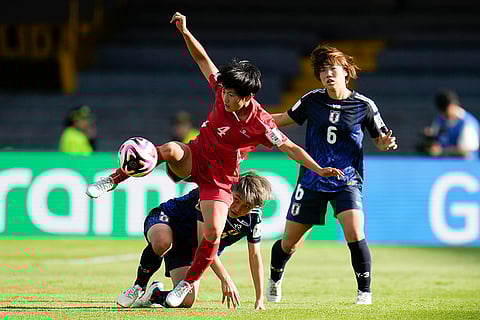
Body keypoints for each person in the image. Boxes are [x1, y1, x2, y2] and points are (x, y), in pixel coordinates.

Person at [86, 12, 343, 308]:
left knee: (212, 232)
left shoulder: (261, 124)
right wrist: (185, 31)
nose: (225, 99)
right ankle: (113, 179)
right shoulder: (223, 90)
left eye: (233, 96)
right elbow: (201, 58)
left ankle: (187, 283)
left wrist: (319, 169)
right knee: (170, 149)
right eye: (226, 93)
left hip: (219, 180)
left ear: (248, 97)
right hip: (194, 157)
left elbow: (292, 149)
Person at [266, 45, 398, 306]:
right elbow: (282, 118)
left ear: (346, 72)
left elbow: (381, 140)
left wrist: (385, 143)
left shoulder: (364, 105)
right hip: (312, 178)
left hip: (346, 178)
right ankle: (275, 278)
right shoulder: (312, 100)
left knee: (354, 231)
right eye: (323, 70)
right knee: (290, 243)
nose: (328, 74)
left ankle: (364, 292)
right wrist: (248, 119)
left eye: (333, 69)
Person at [116, 171, 271, 309]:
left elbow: (255, 256)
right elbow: (204, 243)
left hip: (188, 247)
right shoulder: (213, 198)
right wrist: (225, 279)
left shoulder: (253, 218)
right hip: (169, 219)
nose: (238, 208)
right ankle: (139, 286)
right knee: (162, 241)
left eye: (246, 206)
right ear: (231, 191)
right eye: (236, 200)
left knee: (187, 301)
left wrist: (259, 299)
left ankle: (153, 295)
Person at [422, 89, 479, 160]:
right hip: (442, 167)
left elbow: (466, 152)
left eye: (445, 111)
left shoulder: (467, 123)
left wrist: (441, 151)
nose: (443, 114)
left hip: (465, 168)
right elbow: (435, 142)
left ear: (452, 106)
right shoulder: (440, 120)